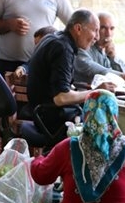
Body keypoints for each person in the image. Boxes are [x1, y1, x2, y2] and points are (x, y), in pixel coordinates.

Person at [25, 9, 117, 141]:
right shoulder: (62, 48)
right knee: (106, 130)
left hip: (41, 111)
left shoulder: (54, 39)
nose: (97, 37)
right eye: (95, 30)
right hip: (50, 118)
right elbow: (61, 98)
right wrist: (96, 91)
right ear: (78, 28)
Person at [74, 11, 125, 88]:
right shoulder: (83, 46)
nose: (108, 34)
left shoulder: (107, 50)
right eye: (103, 28)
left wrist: (113, 57)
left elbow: (124, 76)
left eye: (112, 28)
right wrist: (123, 76)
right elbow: (91, 67)